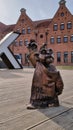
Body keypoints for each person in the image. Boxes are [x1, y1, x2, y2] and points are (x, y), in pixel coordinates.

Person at [27, 40, 64, 109]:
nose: (48, 55)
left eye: (49, 54)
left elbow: (58, 80)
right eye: (44, 53)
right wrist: (32, 50)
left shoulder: (51, 68)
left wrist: (59, 90)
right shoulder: (38, 64)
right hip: (38, 95)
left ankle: (51, 102)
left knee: (51, 96)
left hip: (48, 94)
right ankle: (38, 103)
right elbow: (32, 57)